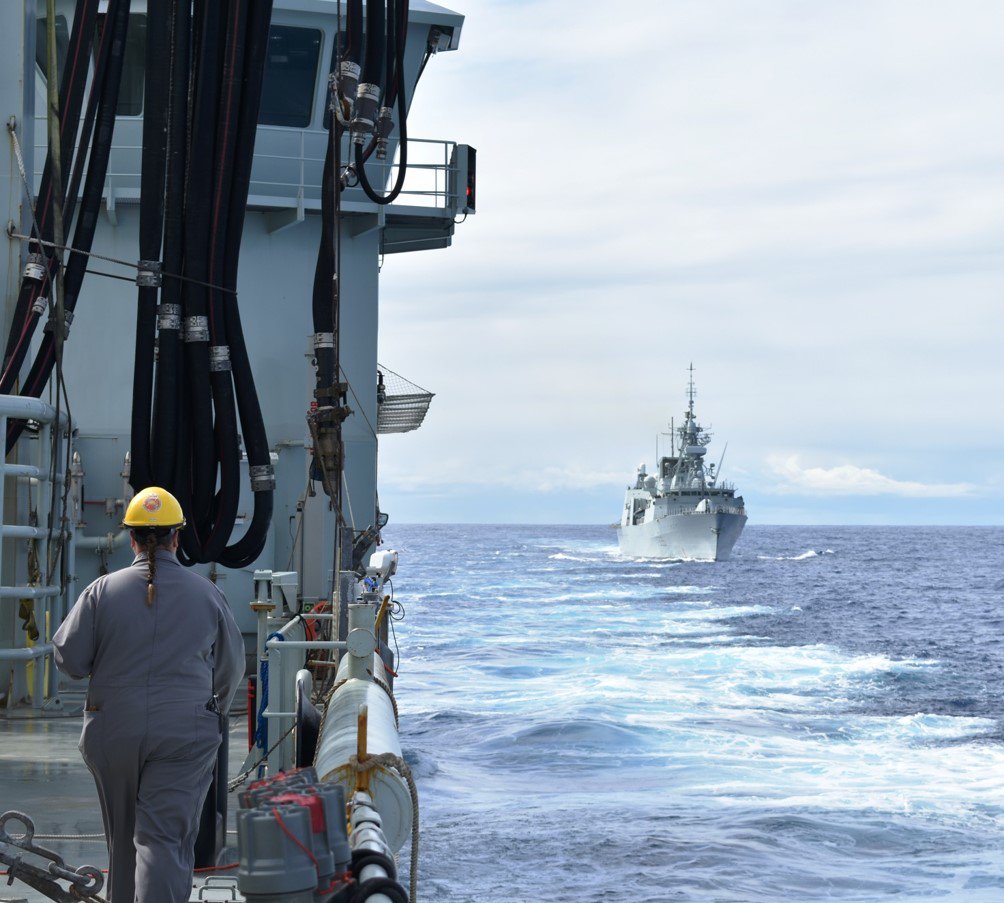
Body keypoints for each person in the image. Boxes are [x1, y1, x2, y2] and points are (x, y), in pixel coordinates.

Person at [53, 486, 245, 903]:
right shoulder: (208, 595)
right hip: (184, 733)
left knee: (124, 842)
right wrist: (213, 715)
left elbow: (69, 660)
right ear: (177, 538)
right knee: (162, 841)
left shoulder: (101, 592)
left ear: (132, 539)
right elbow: (230, 671)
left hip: (113, 729)